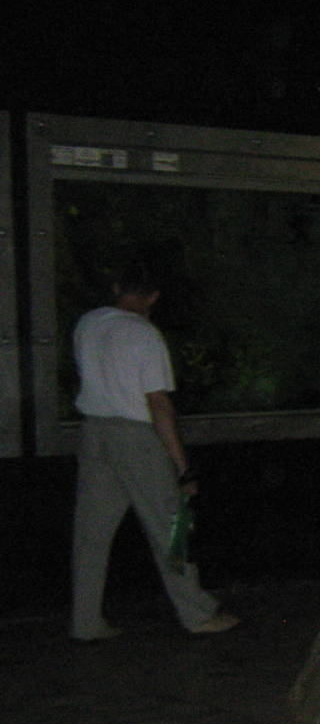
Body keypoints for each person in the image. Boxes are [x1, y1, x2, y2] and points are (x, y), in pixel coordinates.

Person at [70, 262, 238, 641]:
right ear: (154, 297)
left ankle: (85, 621)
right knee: (171, 527)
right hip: (136, 437)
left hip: (94, 431)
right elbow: (158, 404)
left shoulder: (88, 324)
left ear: (116, 287)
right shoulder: (144, 335)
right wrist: (183, 468)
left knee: (91, 534)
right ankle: (196, 613)